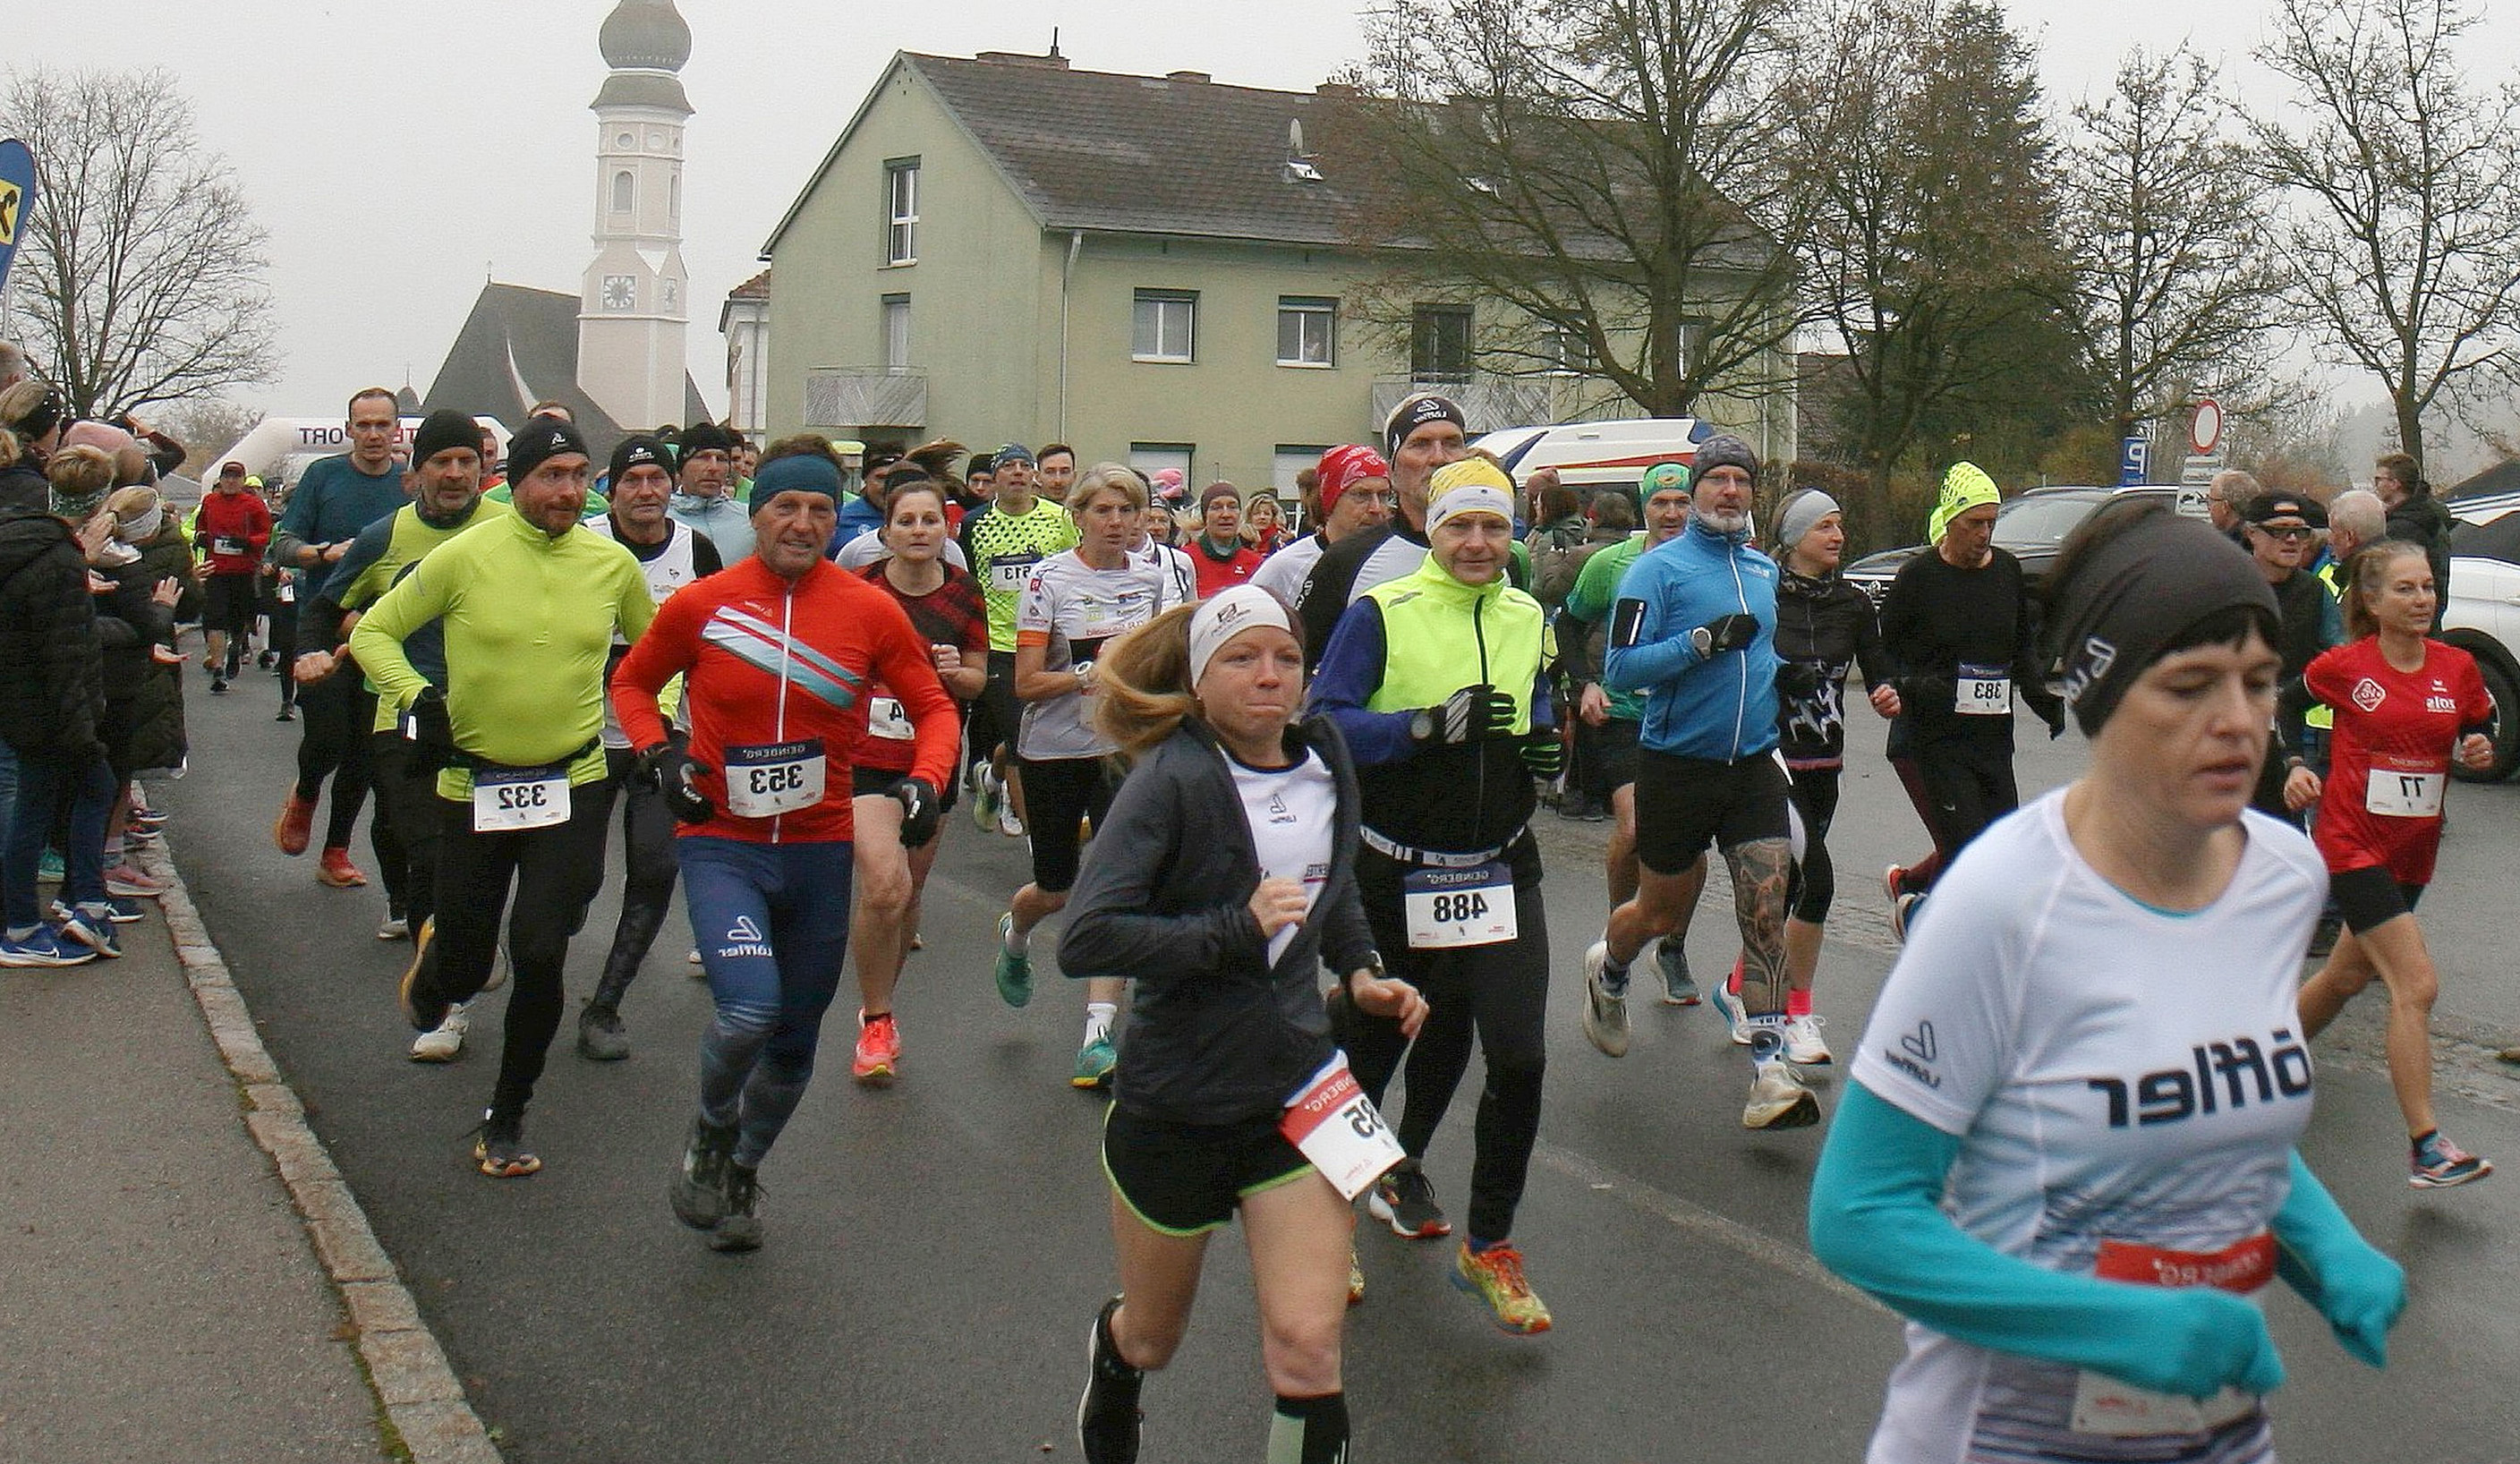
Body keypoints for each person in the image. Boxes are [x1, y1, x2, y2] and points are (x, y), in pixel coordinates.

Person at [1809, 501, 2405, 1464]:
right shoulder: (2003, 902)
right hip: (1999, 1440)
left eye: (2257, 683)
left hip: (2216, 1436)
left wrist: (2324, 1245)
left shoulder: (2282, 877)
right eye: (2187, 687)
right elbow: (1859, 1216)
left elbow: (2207, 1106)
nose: (2237, 721)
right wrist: (2116, 1324)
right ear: (2097, 697)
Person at [1060, 587, 1426, 1464]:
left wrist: (1362, 970)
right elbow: (1085, 937)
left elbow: (1323, 883)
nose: (1268, 677)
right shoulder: (1168, 782)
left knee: (1308, 1343)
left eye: (1286, 659)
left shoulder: (1323, 752)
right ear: (1197, 677)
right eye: (1240, 659)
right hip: (1177, 1096)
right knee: (1154, 1337)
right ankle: (1113, 1364)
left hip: (1301, 1085)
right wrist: (1233, 927)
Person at [611, 447, 960, 1250]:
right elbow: (632, 682)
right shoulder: (704, 604)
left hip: (816, 847)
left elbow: (934, 707)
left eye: (820, 510)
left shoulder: (868, 611)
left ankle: (742, 1167)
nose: (803, 524)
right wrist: (659, 754)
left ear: (838, 522)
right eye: (785, 508)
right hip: (723, 843)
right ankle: (708, 1132)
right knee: (746, 1012)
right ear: (756, 513)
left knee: (796, 1044)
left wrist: (927, 779)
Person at [357, 419, 655, 1177]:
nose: (566, 491)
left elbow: (657, 658)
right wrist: (417, 696)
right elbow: (374, 634)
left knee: (539, 949)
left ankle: (508, 1116)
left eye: (578, 475)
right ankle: (438, 975)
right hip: (473, 780)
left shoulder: (612, 563)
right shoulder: (464, 557)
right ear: (515, 480)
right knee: (465, 960)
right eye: (551, 475)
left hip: (573, 779)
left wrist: (656, 733)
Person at [1309, 461, 1560, 1333]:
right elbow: (1323, 718)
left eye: (1494, 528)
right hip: (1397, 868)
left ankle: (1487, 1244)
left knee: (1520, 1058)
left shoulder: (1526, 612)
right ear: (1433, 530)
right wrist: (1421, 725)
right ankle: (1323, 1219)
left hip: (1498, 868)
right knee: (1371, 1055)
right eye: (1461, 527)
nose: (1478, 544)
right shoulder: (1382, 613)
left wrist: (1546, 748)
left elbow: (1535, 706)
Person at [1581, 434, 1817, 1131]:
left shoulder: (1762, 569)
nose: (1729, 493)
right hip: (1676, 764)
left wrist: (1787, 677)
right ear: (1696, 490)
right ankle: (1612, 967)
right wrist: (1701, 643)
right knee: (1658, 915)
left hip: (1751, 765)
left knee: (1767, 908)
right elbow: (1621, 668)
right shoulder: (1658, 572)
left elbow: (1763, 652)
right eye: (1715, 480)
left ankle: (1771, 1068)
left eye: (1740, 482)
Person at [2283, 539, 2496, 1187]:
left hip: (2412, 853)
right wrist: (2295, 765)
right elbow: (2286, 705)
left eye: (2427, 586)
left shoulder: (2457, 668)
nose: (2422, 599)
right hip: (2351, 844)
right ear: (2371, 601)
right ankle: (2426, 1147)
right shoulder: (2346, 667)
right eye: (2405, 589)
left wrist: (2476, 744)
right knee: (2416, 984)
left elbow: (2475, 723)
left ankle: (2257, 1062)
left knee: (2346, 978)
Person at [298, 412, 511, 1055]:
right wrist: (309, 651)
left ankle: (468, 943)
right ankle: (449, 1001)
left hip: (495, 717)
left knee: (481, 859)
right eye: (440, 463)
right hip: (407, 715)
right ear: (415, 469)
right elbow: (324, 607)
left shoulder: (512, 531)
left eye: (465, 463)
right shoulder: (383, 536)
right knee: (428, 852)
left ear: (483, 469)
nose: (453, 475)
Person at [993, 464, 1190, 1085]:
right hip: (1055, 747)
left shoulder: (1155, 579)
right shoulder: (1047, 580)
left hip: (1124, 749)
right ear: (1078, 516)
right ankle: (1016, 932)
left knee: (1119, 889)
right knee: (1054, 890)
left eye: (1128, 512)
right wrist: (1088, 676)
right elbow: (1026, 683)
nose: (1116, 523)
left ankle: (1098, 1037)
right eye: (1103, 511)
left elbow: (1164, 667)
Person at [580, 434, 723, 1060]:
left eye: (656, 480)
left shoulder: (697, 549)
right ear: (611, 491)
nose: (646, 492)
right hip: (582, 729)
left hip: (667, 735)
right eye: (632, 481)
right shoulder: (583, 542)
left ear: (673, 488)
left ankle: (606, 1004)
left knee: (658, 866)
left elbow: (720, 640)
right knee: (574, 878)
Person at [1879, 462, 2065, 940]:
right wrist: (1915, 687)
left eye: (1991, 523)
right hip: (1933, 739)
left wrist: (2037, 692)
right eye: (1974, 523)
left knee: (2002, 845)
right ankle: (1931, 926)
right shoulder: (1919, 578)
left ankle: (1913, 888)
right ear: (1950, 519)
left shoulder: (2005, 570)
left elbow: (2020, 643)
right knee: (1971, 849)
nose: (1984, 534)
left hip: (1991, 736)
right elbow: (1885, 653)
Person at [847, 477, 987, 1083]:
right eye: (906, 521)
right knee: (884, 883)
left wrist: (958, 674)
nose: (919, 531)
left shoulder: (963, 595)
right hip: (865, 756)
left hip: (934, 753)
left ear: (945, 530)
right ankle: (875, 1020)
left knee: (908, 892)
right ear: (887, 531)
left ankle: (884, 1007)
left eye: (930, 520)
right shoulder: (859, 591)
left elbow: (982, 680)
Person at [1557, 463, 1707, 1001]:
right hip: (1622, 714)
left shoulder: (1710, 562)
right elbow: (1569, 623)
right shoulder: (1610, 563)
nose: (1671, 513)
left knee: (1690, 841)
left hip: (1687, 716)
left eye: (1681, 502)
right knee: (1638, 827)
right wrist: (1585, 685)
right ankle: (1621, 928)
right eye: (1661, 503)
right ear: (1644, 508)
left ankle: (1673, 947)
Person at [1758, 489, 1897, 1064]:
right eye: (1825, 527)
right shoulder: (1761, 595)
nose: (1838, 536)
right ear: (1794, 540)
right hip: (1770, 759)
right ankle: (1797, 1015)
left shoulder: (1854, 604)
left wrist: (1889, 692)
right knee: (1818, 881)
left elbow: (1879, 668)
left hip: (1825, 764)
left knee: (1788, 885)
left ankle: (1739, 988)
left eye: (1841, 525)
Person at [272, 387, 409, 889]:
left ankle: (335, 851)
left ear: (397, 430)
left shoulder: (409, 483)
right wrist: (327, 554)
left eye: (382, 425)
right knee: (327, 736)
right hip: (324, 624)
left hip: (385, 634)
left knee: (366, 752)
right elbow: (282, 543)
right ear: (349, 429)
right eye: (363, 425)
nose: (373, 435)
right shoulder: (323, 476)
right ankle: (306, 793)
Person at [0, 481, 118, 966]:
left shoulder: (16, 545)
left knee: (41, 804)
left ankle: (76, 905)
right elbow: (67, 654)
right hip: (48, 710)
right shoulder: (61, 563)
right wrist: (82, 732)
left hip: (17, 701)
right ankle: (33, 922)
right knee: (79, 793)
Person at [961, 442, 1079, 838]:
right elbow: (968, 581)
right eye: (1007, 466)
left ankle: (992, 775)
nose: (1016, 473)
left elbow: (1072, 569)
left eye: (1023, 466)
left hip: (1047, 640)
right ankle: (1035, 831)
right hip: (998, 641)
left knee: (1039, 730)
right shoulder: (975, 524)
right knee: (1018, 732)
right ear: (995, 478)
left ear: (1034, 476)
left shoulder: (1058, 517)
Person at [1295, 393, 1469, 660]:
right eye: (1420, 444)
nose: (1439, 458)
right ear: (1392, 470)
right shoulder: (1347, 559)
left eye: (1452, 443)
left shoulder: (1500, 557)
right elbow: (1299, 664)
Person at [2238, 493, 2337, 825]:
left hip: (2293, 735)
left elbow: (2337, 654)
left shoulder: (2314, 591)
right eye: (2280, 531)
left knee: (2289, 835)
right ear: (2252, 533)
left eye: (2300, 531)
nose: (2293, 540)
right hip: (2233, 731)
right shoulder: (2229, 584)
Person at [1252, 446, 1393, 609]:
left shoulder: (1399, 559)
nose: (1376, 508)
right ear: (1329, 500)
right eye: (1361, 495)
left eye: (1383, 496)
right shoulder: (1285, 567)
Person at [193, 460, 272, 694]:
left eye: (235, 477)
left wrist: (248, 543)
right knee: (215, 618)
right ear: (220, 479)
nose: (230, 481)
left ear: (242, 480)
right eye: (227, 476)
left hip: (244, 570)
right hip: (215, 570)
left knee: (239, 618)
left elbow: (265, 534)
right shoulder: (210, 501)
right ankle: (218, 669)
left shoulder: (254, 505)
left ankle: (236, 646)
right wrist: (201, 537)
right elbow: (200, 527)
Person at [2372, 453, 2454, 630]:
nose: (2376, 485)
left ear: (2395, 484)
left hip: (2410, 626)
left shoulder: (2403, 528)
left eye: (2379, 479)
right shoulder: (2427, 517)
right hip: (2426, 621)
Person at [668, 422, 753, 562]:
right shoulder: (662, 521)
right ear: (682, 466)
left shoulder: (749, 520)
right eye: (702, 457)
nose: (713, 467)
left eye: (721, 459)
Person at [1187, 482, 1264, 596]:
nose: (1226, 514)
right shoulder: (1186, 560)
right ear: (1205, 516)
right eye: (1216, 507)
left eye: (1233, 507)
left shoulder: (1256, 563)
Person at [1240, 489, 1292, 558]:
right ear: (1250, 517)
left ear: (1273, 517)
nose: (1262, 517)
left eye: (1267, 514)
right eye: (1257, 513)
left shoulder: (1281, 540)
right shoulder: (1241, 538)